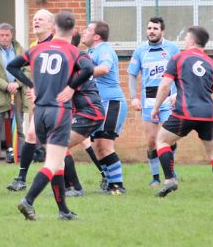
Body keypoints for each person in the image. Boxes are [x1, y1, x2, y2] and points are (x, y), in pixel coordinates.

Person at [7, 11, 93, 221]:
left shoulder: (37, 49)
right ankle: (28, 200)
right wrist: (72, 87)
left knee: (59, 163)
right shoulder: (74, 52)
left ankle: (63, 210)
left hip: (41, 111)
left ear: (54, 29)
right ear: (73, 31)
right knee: (53, 163)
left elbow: (12, 66)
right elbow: (89, 69)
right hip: (59, 111)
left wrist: (32, 85)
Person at [151, 26, 213, 199]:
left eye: (186, 38)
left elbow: (165, 86)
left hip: (184, 113)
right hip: (207, 115)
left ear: (192, 41)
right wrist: (212, 113)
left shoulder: (178, 58)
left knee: (162, 141)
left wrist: (156, 108)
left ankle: (170, 179)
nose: (184, 41)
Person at [128, 17, 180, 186]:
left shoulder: (172, 49)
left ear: (162, 31)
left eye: (155, 28)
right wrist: (134, 97)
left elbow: (181, 73)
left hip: (168, 100)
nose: (151, 31)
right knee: (152, 140)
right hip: (148, 101)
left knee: (167, 138)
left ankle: (169, 173)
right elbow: (132, 74)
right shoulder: (140, 51)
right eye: (149, 28)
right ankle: (155, 177)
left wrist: (178, 93)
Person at [7, 9, 55, 192]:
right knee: (32, 135)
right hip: (42, 101)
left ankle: (74, 183)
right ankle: (21, 178)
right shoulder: (35, 47)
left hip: (59, 101)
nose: (36, 21)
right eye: (34, 19)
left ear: (51, 25)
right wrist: (31, 86)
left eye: (40, 19)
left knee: (62, 142)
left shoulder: (56, 45)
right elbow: (13, 67)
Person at [82, 20, 127, 194]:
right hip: (98, 105)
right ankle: (109, 184)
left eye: (88, 29)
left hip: (111, 103)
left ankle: (117, 186)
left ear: (97, 36)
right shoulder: (89, 52)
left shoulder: (104, 50)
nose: (84, 32)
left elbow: (104, 69)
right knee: (96, 146)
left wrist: (83, 72)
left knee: (106, 145)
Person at [63, 31, 103, 197]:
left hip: (90, 112)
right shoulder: (69, 59)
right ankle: (67, 189)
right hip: (83, 112)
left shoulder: (76, 60)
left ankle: (76, 188)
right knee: (58, 146)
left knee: (59, 146)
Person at [0, 23, 27, 165]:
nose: (4, 38)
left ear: (11, 35)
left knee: (19, 128)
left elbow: (28, 70)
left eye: (7, 35)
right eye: (1, 35)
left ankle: (20, 159)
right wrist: (6, 85)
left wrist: (17, 83)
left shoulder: (21, 50)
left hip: (17, 95)